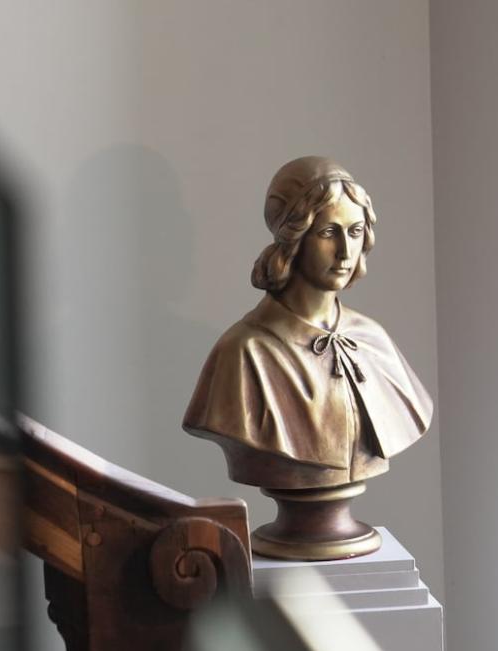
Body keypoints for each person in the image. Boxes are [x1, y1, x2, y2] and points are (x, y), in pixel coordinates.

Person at [184, 157, 433, 491]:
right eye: (328, 232)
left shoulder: (375, 340)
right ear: (294, 238)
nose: (345, 251)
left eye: (355, 231)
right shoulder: (245, 352)